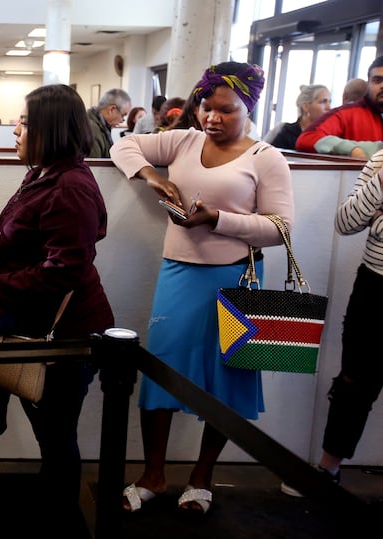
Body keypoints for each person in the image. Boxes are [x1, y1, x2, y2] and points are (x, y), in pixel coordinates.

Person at [110, 61, 294, 515]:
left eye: (225, 110)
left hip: (237, 279)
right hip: (179, 274)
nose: (211, 118)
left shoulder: (266, 158)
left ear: (248, 108)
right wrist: (152, 175)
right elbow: (127, 145)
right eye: (205, 107)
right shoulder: (183, 140)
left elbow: (281, 228)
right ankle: (154, 474)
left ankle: (202, 478)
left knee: (227, 382)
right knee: (160, 376)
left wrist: (217, 218)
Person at [0, 84, 114, 533]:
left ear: (51, 128)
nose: (16, 131)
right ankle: (55, 510)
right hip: (43, 328)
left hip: (69, 336)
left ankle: (62, 521)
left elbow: (61, 272)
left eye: (24, 123)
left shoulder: (71, 188)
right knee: (51, 432)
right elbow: (18, 235)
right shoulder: (46, 173)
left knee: (57, 436)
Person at [281, 148, 383, 498]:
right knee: (354, 382)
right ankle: (328, 469)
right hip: (375, 286)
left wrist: (379, 220)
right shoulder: (380, 161)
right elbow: (346, 223)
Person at [296, 56, 383, 158]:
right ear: (368, 84)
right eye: (377, 80)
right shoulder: (347, 114)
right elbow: (306, 139)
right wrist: (352, 149)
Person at [264, 84, 331, 150]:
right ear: (306, 107)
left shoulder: (329, 136)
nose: (329, 108)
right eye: (323, 102)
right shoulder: (284, 131)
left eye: (329, 102)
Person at [86, 88, 132, 157]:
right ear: (112, 110)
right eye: (123, 115)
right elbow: (94, 165)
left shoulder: (101, 126)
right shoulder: (92, 129)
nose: (122, 120)